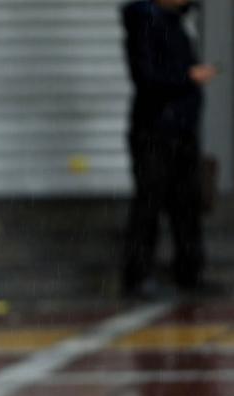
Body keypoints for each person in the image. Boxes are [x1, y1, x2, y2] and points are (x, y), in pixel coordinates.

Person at [121, 0, 217, 298]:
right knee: (149, 204)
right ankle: (138, 277)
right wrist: (188, 78)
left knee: (186, 204)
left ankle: (189, 272)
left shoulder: (175, 22)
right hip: (156, 130)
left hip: (181, 129)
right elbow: (147, 78)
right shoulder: (146, 22)